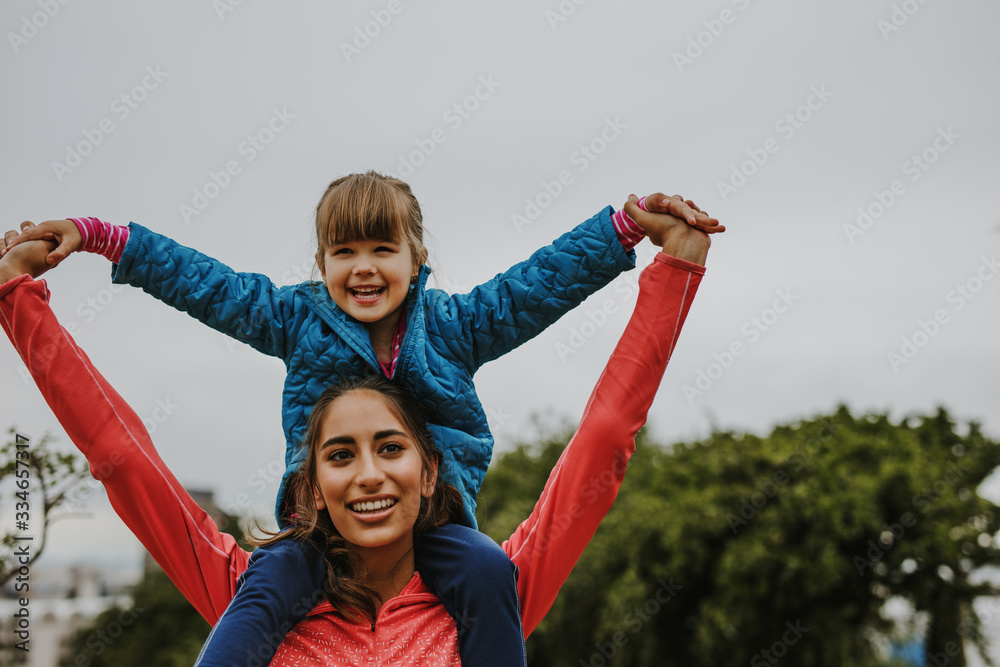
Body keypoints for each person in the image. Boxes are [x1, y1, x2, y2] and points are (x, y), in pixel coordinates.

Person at [3, 177, 722, 665]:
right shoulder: (260, 595)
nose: (370, 473)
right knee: (277, 570)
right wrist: (89, 246)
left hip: (452, 532)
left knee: (483, 564)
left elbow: (597, 428)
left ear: (429, 464)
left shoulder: (485, 588)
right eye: (340, 454)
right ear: (313, 476)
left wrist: (633, 235)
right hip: (304, 550)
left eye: (390, 448)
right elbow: (126, 453)